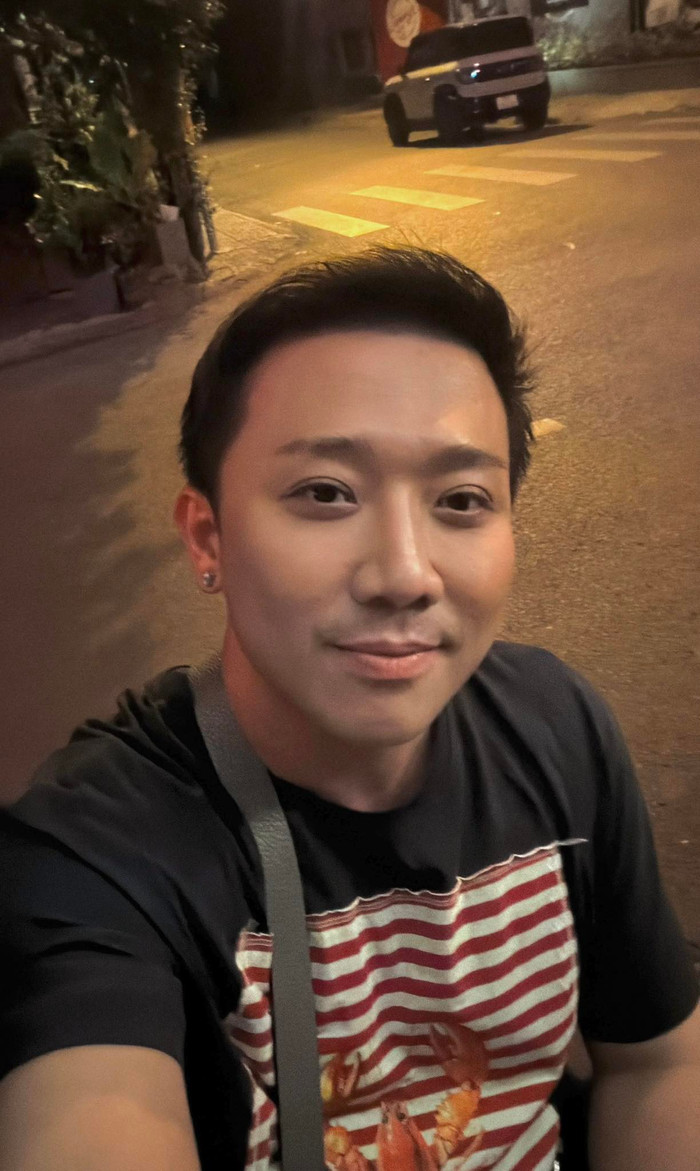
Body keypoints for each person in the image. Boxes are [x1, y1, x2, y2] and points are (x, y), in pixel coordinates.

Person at [0, 247, 698, 1171]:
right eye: (326, 493)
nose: (405, 574)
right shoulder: (96, 854)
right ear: (208, 538)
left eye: (462, 499)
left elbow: (656, 1063)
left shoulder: (555, 726)